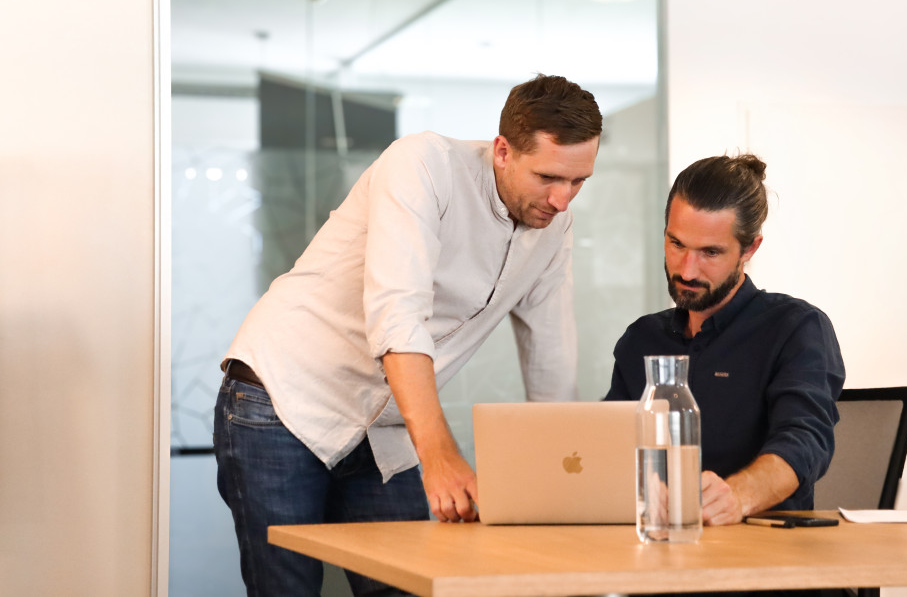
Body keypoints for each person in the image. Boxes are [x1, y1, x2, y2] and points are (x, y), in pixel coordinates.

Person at [214, 74, 603, 597]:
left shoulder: (555, 228)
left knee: (409, 588)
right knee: (287, 589)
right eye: (549, 178)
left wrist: (566, 491)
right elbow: (399, 315)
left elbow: (551, 355)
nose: (562, 200)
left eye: (578, 182)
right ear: (504, 151)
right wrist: (440, 457)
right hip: (283, 400)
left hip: (388, 431)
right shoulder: (422, 164)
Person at [604, 153, 845, 525]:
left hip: (762, 559)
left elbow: (805, 442)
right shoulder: (642, 338)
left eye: (710, 253)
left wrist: (738, 496)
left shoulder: (795, 328)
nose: (687, 269)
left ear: (749, 249)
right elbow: (606, 445)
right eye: (676, 244)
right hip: (654, 551)